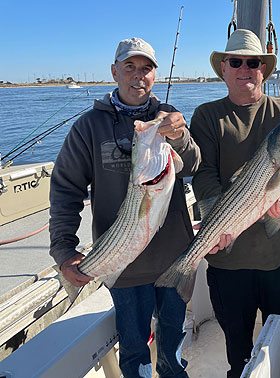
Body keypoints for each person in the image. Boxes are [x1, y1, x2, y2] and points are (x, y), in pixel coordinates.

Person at [49, 37, 200, 378]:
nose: (138, 75)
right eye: (129, 67)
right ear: (114, 71)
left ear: (155, 75)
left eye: (146, 68)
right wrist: (63, 250)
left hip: (175, 260)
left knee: (174, 351)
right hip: (124, 266)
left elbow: (192, 164)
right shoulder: (88, 127)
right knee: (134, 355)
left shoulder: (170, 118)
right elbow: (65, 190)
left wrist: (179, 137)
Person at [189, 29, 280, 378]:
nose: (245, 68)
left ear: (263, 69)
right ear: (224, 68)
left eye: (254, 62)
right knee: (238, 350)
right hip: (228, 259)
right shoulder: (207, 115)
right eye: (236, 61)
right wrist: (217, 220)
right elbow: (203, 174)